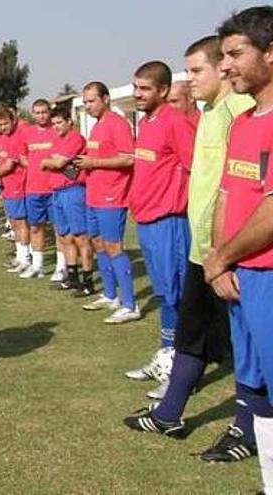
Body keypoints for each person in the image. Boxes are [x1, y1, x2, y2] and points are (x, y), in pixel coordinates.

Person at [124, 34, 257, 463]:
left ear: (222, 67)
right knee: (193, 336)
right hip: (208, 252)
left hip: (230, 253)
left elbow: (243, 193)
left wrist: (225, 251)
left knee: (249, 347)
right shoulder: (211, 110)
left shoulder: (242, 111)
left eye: (196, 70)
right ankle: (170, 414)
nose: (190, 80)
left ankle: (248, 428)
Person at [203, 7, 273, 487]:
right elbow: (227, 194)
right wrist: (217, 259)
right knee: (256, 388)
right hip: (238, 275)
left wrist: (223, 256)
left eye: (235, 54)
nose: (225, 65)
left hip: (267, 272)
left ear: (271, 53)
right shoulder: (244, 122)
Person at [123, 61, 196, 396]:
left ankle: (181, 368)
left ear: (164, 91)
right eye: (136, 88)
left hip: (170, 222)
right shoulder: (147, 122)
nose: (138, 94)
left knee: (177, 295)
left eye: (145, 89)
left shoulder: (174, 122)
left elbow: (197, 170)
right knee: (165, 294)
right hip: (149, 222)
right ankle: (167, 354)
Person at [75, 82, 139, 324]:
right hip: (94, 194)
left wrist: (94, 164)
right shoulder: (97, 126)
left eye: (92, 101)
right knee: (98, 244)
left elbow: (128, 158)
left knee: (113, 246)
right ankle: (111, 294)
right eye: (86, 102)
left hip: (112, 196)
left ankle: (130, 304)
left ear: (106, 98)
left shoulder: (117, 123)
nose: (88, 106)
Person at [41, 106, 94, 296]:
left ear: (69, 121)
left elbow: (57, 163)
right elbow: (54, 161)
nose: (55, 126)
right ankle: (72, 277)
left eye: (59, 122)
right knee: (64, 237)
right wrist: (52, 161)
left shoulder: (75, 138)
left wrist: (48, 162)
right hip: (58, 191)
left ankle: (88, 280)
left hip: (73, 191)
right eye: (53, 123)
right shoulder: (57, 140)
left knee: (80, 236)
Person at [20, 99, 64, 280]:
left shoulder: (57, 131)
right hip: (33, 189)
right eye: (37, 113)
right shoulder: (27, 133)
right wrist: (32, 166)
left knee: (58, 229)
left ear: (49, 112)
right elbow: (22, 156)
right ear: (32, 114)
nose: (41, 116)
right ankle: (37, 266)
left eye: (44, 112)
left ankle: (62, 267)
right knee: (36, 228)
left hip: (54, 188)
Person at [0, 109, 29, 273]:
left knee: (21, 223)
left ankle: (26, 258)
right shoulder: (5, 139)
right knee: (14, 222)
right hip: (8, 186)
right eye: (0, 124)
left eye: (6, 123)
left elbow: (10, 165)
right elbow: (2, 161)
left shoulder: (18, 138)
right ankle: (20, 257)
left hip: (18, 185)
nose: (3, 127)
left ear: (14, 121)